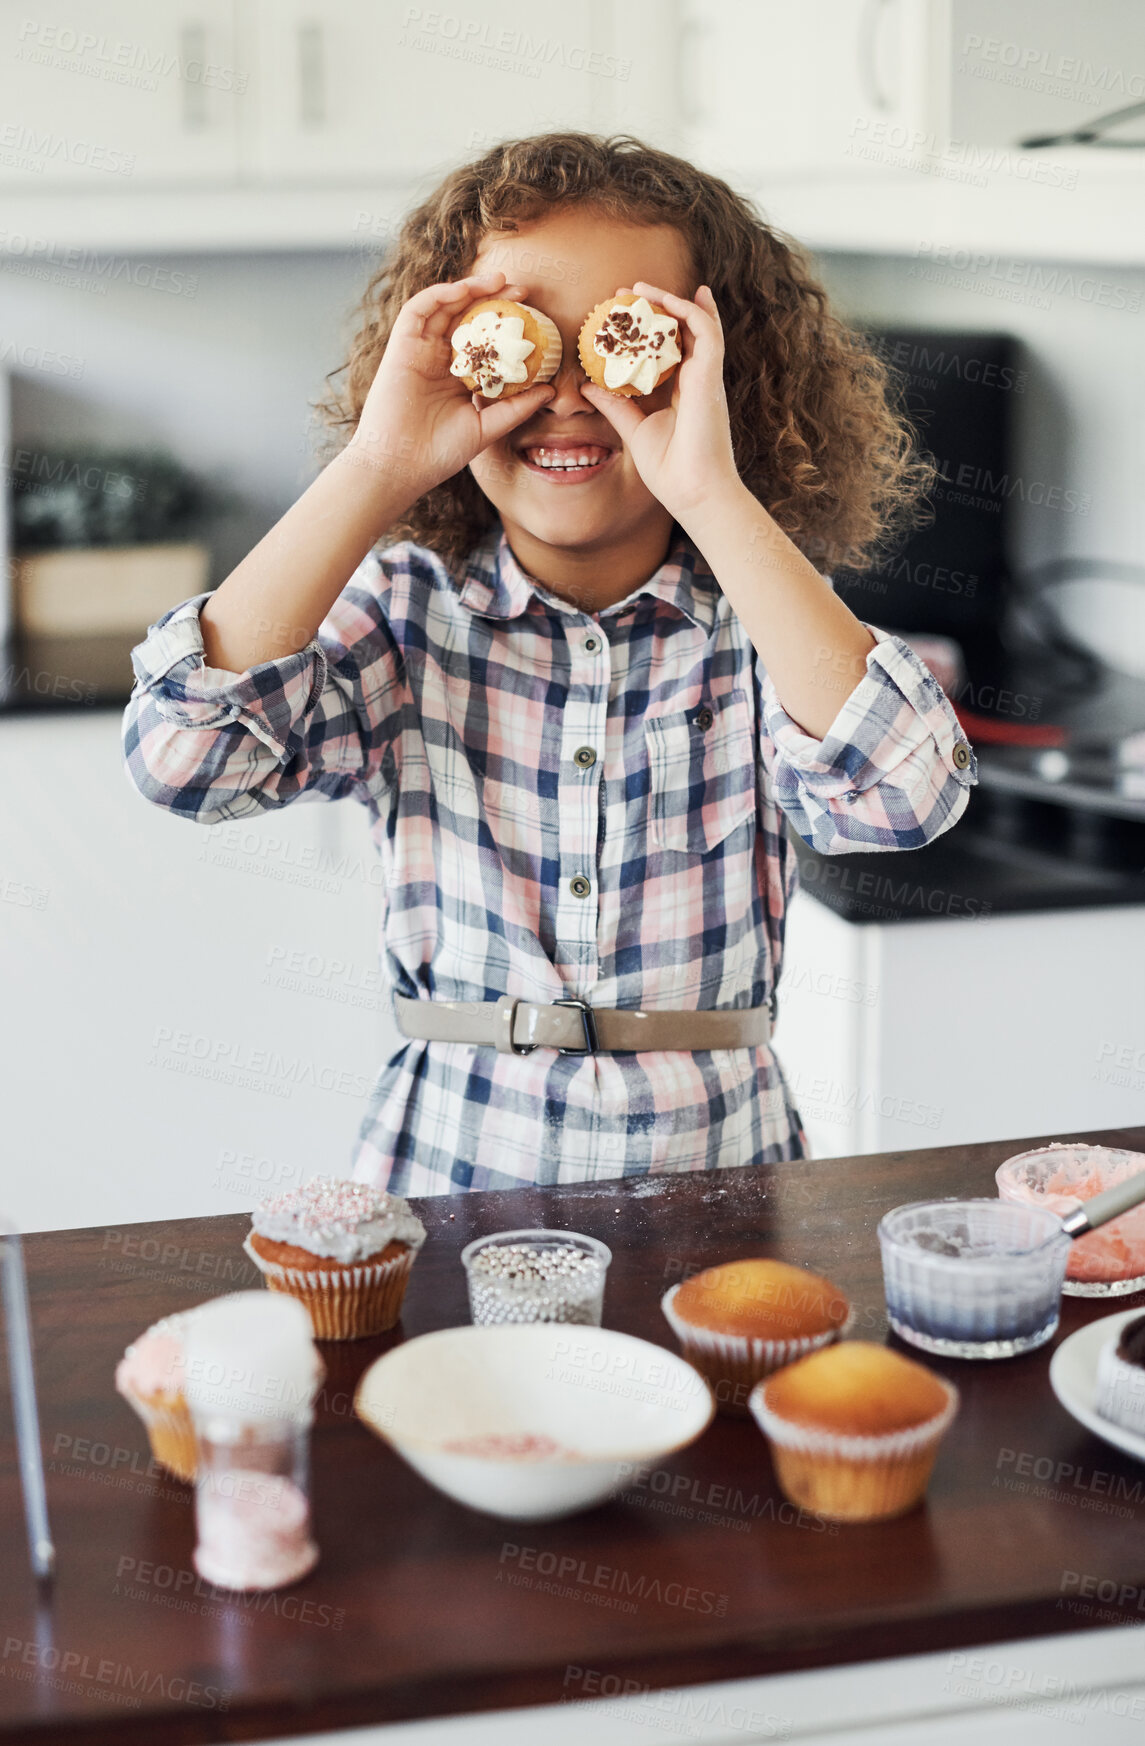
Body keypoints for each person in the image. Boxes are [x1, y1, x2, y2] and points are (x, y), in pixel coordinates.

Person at [122, 131, 976, 1194]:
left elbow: (905, 799)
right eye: (518, 337)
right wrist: (379, 463)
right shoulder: (400, 616)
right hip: (449, 1171)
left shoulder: (755, 622)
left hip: (722, 1186)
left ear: (717, 371)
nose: (569, 393)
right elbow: (182, 762)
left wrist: (709, 491)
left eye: (624, 340)